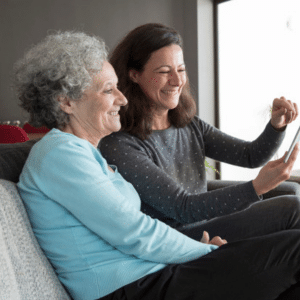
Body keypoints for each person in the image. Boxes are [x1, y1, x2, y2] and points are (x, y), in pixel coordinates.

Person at [14, 30, 300, 300]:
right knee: (293, 249)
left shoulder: (82, 152)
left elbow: (131, 230)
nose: (122, 98)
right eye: (108, 90)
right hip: (132, 288)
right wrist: (202, 252)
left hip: (149, 274)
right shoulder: (61, 156)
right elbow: (135, 233)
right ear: (66, 102)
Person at [99, 23, 300, 242]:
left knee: (289, 192)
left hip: (205, 225)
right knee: (292, 207)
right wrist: (256, 187)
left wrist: (276, 126)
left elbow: (251, 156)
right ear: (134, 75)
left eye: (181, 69)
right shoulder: (121, 144)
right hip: (177, 240)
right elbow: (182, 208)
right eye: (164, 72)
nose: (177, 81)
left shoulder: (189, 125)